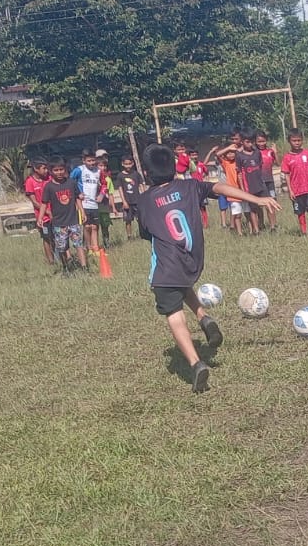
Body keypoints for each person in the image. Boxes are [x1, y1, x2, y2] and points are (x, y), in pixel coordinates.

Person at [134, 143, 278, 393]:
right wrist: (256, 198)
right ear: (174, 168)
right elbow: (218, 187)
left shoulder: (145, 201)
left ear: (147, 173)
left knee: (173, 313)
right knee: (179, 283)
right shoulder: (190, 186)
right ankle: (203, 317)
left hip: (166, 267)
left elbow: (146, 232)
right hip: (192, 260)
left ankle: (195, 363)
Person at [41, 160, 86, 272]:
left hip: (73, 220)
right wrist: (40, 218)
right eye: (56, 170)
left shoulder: (71, 183)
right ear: (51, 171)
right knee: (62, 247)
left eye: (61, 169)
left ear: (65, 169)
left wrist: (82, 211)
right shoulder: (49, 187)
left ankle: (84, 267)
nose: (59, 172)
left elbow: (77, 198)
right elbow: (44, 203)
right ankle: (66, 268)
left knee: (78, 244)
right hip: (59, 223)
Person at [280, 129, 308, 237]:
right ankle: (304, 233)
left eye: (299, 140)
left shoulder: (307, 153)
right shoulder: (287, 158)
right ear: (289, 141)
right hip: (296, 191)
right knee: (300, 213)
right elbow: (286, 175)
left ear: (302, 140)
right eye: (294, 141)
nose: (297, 143)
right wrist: (290, 190)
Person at [70, 148, 104, 254]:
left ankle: (96, 248)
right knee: (87, 226)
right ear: (84, 160)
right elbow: (70, 182)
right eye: (89, 161)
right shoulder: (79, 170)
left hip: (94, 204)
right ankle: (89, 248)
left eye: (93, 160)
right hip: (83, 204)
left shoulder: (99, 171)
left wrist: (101, 194)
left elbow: (104, 184)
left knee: (95, 227)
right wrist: (77, 193)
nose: (92, 163)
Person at [23, 157, 55, 268]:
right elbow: (35, 202)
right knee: (47, 238)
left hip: (54, 213)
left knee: (56, 236)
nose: (46, 171)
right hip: (43, 217)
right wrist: (47, 212)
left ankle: (59, 257)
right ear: (36, 169)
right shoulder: (30, 182)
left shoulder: (49, 178)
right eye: (44, 168)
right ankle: (50, 261)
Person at [235, 135, 267, 235]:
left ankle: (263, 225)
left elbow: (260, 167)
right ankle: (256, 230)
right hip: (249, 187)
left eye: (251, 142)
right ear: (242, 142)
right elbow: (239, 173)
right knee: (253, 208)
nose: (250, 144)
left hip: (260, 184)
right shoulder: (239, 155)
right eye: (247, 142)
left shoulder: (257, 153)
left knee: (263, 205)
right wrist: (243, 188)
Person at [116, 154, 142, 242]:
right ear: (122, 164)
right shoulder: (120, 176)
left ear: (133, 163)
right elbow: (120, 189)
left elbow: (141, 186)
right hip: (127, 201)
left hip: (137, 200)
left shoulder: (136, 174)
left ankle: (142, 234)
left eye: (129, 164)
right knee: (128, 220)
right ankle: (129, 237)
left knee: (140, 219)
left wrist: (143, 198)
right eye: (126, 164)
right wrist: (124, 202)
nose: (128, 166)